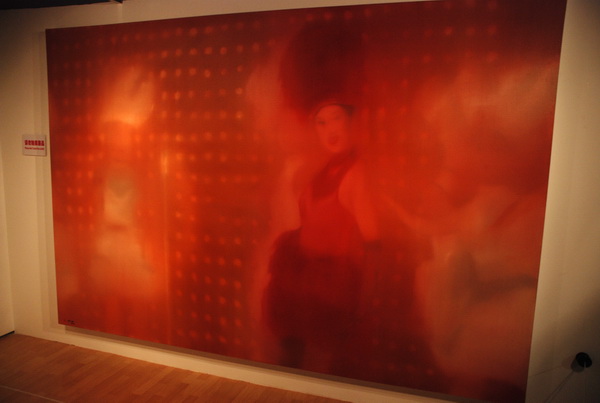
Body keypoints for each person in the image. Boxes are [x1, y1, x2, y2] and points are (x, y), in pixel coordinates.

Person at [262, 100, 378, 374]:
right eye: (321, 122)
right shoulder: (324, 169)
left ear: (350, 122)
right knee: (291, 357)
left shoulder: (357, 174)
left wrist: (367, 298)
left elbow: (373, 242)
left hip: (331, 285)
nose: (330, 129)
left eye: (336, 118)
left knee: (320, 364)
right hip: (301, 276)